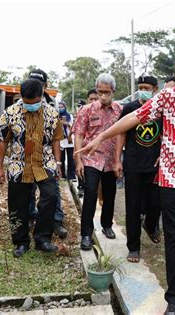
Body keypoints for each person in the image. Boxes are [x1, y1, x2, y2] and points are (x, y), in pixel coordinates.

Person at [76, 47, 175, 315]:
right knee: (174, 236)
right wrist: (102, 137)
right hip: (171, 178)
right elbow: (133, 117)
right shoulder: (168, 97)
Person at [0, 79, 63, 257]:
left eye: (33, 103)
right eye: (26, 103)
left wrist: (58, 162)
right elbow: (3, 141)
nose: (30, 106)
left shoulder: (52, 113)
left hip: (45, 163)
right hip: (19, 164)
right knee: (18, 204)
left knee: (50, 196)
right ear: (21, 96)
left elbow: (56, 139)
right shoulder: (10, 113)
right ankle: (21, 242)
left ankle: (42, 238)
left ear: (41, 97)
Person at [114, 75, 162, 263]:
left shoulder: (161, 109)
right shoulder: (129, 108)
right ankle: (133, 247)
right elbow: (121, 134)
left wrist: (163, 154)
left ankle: (151, 225)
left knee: (156, 202)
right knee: (132, 207)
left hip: (156, 164)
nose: (143, 89)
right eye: (141, 86)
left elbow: (167, 134)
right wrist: (118, 159)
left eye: (147, 87)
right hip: (133, 164)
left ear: (155, 89)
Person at [74, 73, 122, 250]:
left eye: (106, 92)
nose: (103, 95)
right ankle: (86, 234)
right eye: (100, 91)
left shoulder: (119, 110)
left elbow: (120, 136)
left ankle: (107, 225)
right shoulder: (87, 110)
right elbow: (78, 134)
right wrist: (78, 160)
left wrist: (118, 160)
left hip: (110, 159)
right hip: (91, 158)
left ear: (113, 92)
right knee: (90, 192)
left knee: (110, 193)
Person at [27, 69, 68, 239]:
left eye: (40, 84)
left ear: (46, 86)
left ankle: (56, 220)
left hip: (48, 153)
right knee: (29, 187)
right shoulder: (23, 100)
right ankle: (30, 217)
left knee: (53, 190)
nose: (36, 87)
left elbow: (56, 134)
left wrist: (57, 162)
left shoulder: (52, 104)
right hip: (28, 151)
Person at [59, 101, 76, 180]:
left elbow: (73, 126)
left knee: (71, 158)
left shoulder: (70, 116)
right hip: (61, 140)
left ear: (65, 107)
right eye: (59, 107)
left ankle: (71, 175)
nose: (60, 108)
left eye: (61, 107)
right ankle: (62, 175)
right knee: (61, 158)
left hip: (69, 140)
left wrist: (67, 123)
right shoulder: (56, 116)